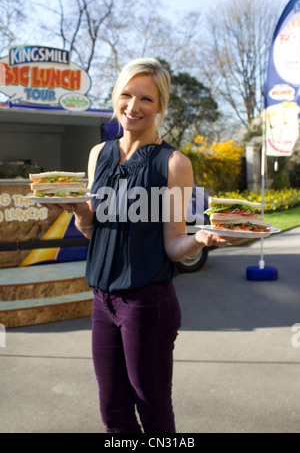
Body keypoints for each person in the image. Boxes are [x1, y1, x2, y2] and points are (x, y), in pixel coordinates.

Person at [46, 58, 239, 433]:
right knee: (113, 412)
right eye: (126, 95)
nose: (133, 107)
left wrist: (198, 241)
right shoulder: (98, 155)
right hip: (102, 300)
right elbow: (92, 230)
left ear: (161, 106)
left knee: (151, 410)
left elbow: (172, 244)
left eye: (146, 99)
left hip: (148, 303)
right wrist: (76, 210)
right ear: (116, 97)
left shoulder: (174, 164)